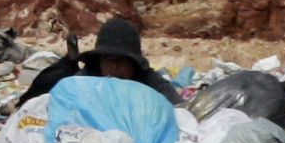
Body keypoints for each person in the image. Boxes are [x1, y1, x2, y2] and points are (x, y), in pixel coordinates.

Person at [15, 16, 185, 112]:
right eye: (109, 60)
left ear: (134, 64)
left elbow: (180, 110)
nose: (115, 67)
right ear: (99, 62)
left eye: (123, 61)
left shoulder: (149, 81)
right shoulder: (88, 78)